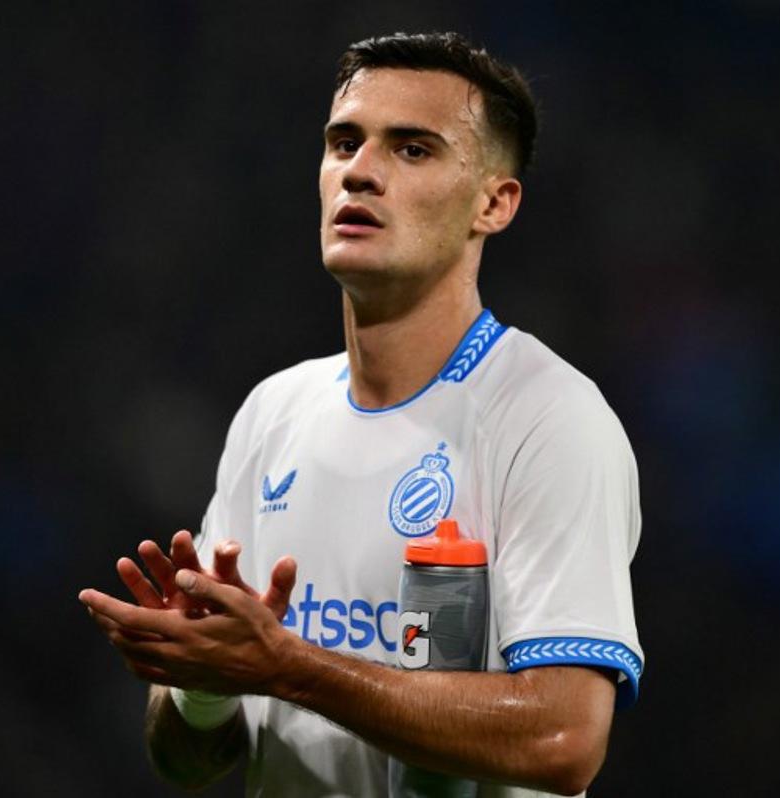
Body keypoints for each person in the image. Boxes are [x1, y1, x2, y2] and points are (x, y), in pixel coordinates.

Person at [80, 31, 643, 798]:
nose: (361, 173)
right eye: (344, 142)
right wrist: (206, 683)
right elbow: (185, 762)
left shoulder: (548, 420)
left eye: (412, 150)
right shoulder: (274, 413)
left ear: (494, 202)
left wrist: (288, 666)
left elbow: (564, 736)